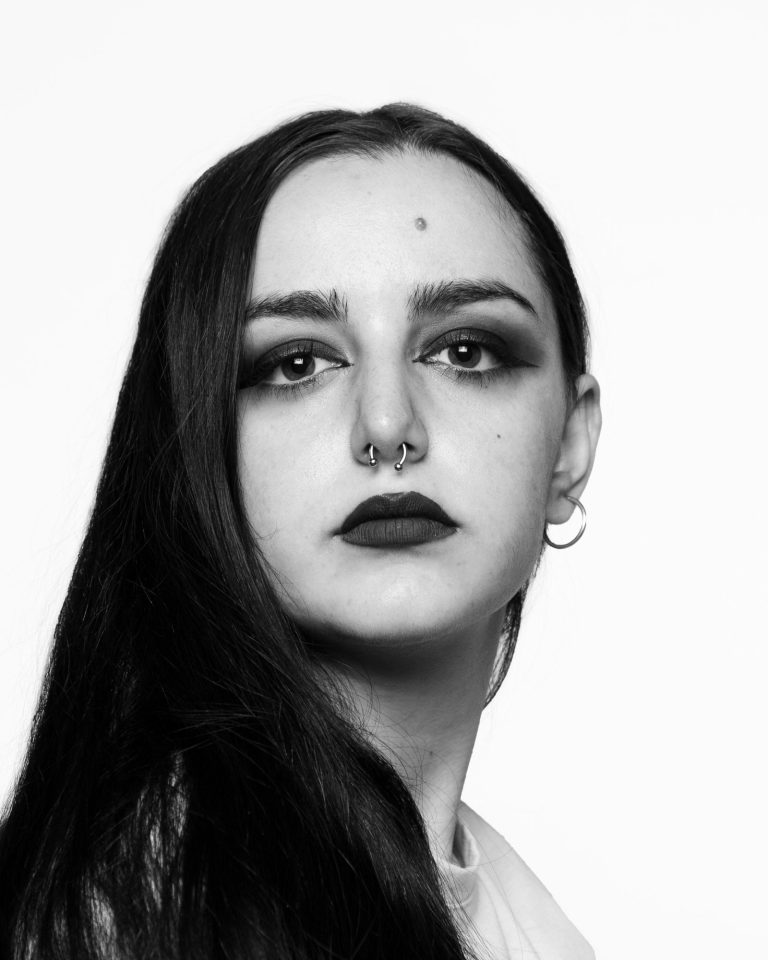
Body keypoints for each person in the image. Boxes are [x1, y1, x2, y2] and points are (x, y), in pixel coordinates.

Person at [0, 103, 602, 959]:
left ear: (570, 446)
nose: (387, 427)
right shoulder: (131, 908)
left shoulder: (531, 929)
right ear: (198, 446)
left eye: (464, 351)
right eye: (296, 364)